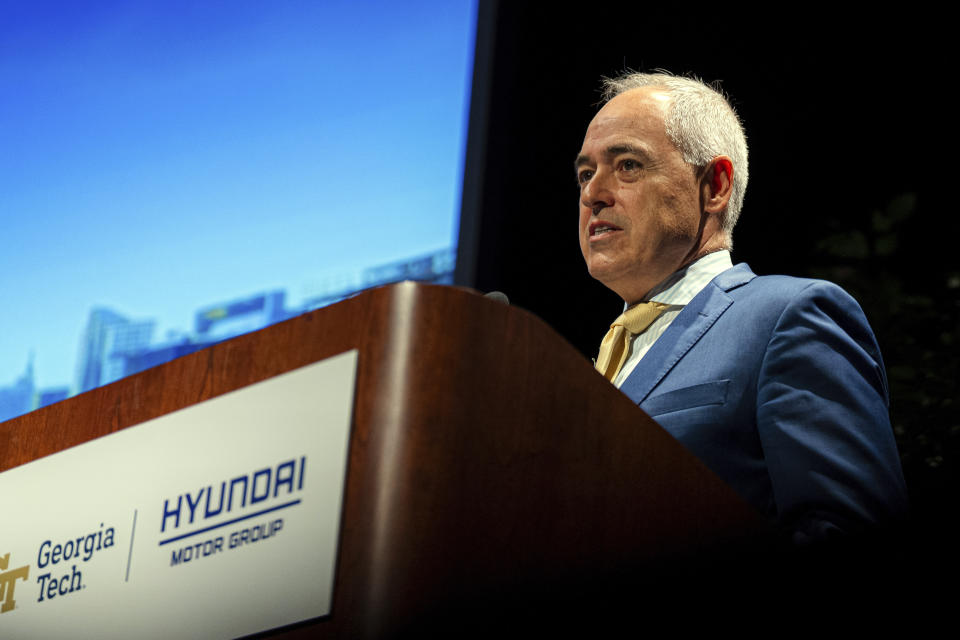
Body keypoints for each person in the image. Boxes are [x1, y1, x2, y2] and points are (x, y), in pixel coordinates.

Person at [576, 71, 907, 543]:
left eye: (627, 165)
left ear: (715, 186)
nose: (592, 193)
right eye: (585, 174)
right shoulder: (602, 358)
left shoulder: (788, 316)